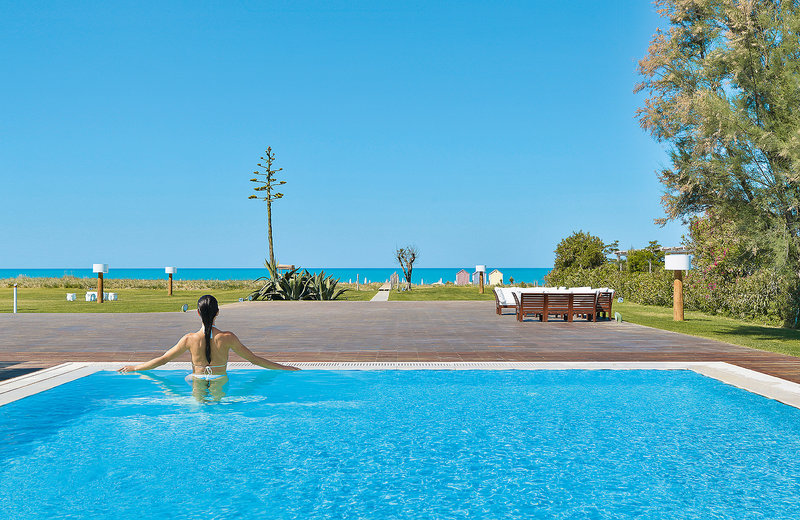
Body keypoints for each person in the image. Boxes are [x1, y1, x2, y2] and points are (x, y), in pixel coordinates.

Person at [118, 294, 299, 378]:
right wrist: (284, 367)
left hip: (196, 380)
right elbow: (253, 359)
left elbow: (164, 359)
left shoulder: (189, 339)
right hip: (220, 380)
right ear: (218, 313)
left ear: (197, 313)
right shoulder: (228, 337)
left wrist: (135, 368)